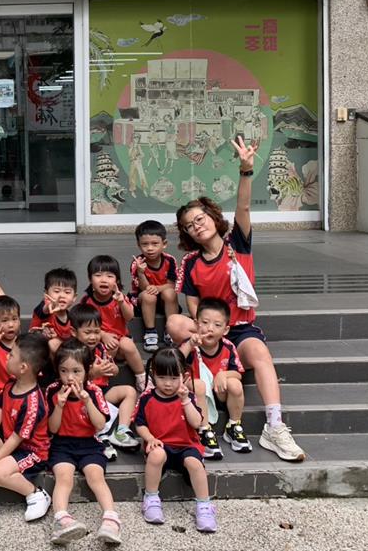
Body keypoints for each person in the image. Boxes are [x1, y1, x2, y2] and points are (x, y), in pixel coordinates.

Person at [167, 136, 306, 462]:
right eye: (189, 226)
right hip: (207, 331)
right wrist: (205, 332)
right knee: (174, 322)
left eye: (200, 219)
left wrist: (245, 170)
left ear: (213, 218)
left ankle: (274, 427)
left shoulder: (237, 245)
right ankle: (209, 376)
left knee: (260, 353)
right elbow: (192, 306)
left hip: (239, 329)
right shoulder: (191, 263)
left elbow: (243, 207)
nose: (196, 226)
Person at [0, 333, 53, 531]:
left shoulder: (33, 402)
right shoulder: (11, 383)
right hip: (10, 442)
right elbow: (1, 406)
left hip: (31, 450)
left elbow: (17, 439)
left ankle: (36, 494)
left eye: (12, 355)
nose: (7, 356)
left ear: (23, 367)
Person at [45, 340, 122, 545]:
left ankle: (111, 520)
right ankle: (61, 519)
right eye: (64, 371)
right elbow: (53, 428)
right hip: (62, 444)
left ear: (87, 371)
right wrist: (59, 406)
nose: (70, 377)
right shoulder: (53, 391)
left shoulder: (94, 391)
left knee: (96, 477)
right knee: (64, 478)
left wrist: (87, 401)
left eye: (76, 371)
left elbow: (99, 425)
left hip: (89, 443)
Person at [134, 348, 217, 533]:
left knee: (195, 463)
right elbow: (140, 424)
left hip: (186, 445)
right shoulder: (147, 398)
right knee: (156, 456)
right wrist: (149, 438)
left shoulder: (189, 397)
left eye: (173, 378)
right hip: (160, 444)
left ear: (184, 376)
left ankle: (204, 505)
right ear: (153, 374)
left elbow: (197, 422)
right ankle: (151, 498)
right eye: (162, 377)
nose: (168, 383)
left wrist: (185, 400)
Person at [180, 298, 251, 454]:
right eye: (205, 323)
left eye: (217, 325)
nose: (210, 328)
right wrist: (189, 345)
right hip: (196, 396)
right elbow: (175, 363)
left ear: (225, 330)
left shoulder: (228, 347)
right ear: (196, 324)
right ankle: (204, 429)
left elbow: (238, 373)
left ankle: (234, 425)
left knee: (235, 384)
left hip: (220, 393)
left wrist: (222, 374)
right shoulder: (190, 344)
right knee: (199, 385)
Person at [69, 304, 139, 453]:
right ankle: (100, 436)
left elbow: (115, 370)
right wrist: (92, 374)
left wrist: (112, 369)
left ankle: (122, 431)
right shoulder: (72, 352)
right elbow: (69, 379)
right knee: (91, 403)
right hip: (82, 395)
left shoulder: (100, 348)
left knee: (129, 391)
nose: (93, 337)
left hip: (102, 392)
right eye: (87, 332)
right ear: (74, 332)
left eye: (96, 332)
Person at [80, 255, 146, 390]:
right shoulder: (87, 301)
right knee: (110, 345)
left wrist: (121, 303)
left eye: (110, 276)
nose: (104, 279)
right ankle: (101, 376)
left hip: (120, 341)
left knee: (127, 344)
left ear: (117, 280)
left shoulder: (119, 298)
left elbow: (129, 317)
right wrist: (103, 335)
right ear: (90, 279)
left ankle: (142, 377)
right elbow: (84, 324)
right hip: (97, 342)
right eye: (98, 275)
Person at [129, 220, 179, 352]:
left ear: (164, 244)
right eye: (145, 244)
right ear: (138, 245)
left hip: (163, 299)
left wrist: (157, 288)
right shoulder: (137, 263)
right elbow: (143, 288)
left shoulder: (170, 261)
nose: (150, 248)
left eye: (155, 244)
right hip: (144, 300)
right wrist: (140, 273)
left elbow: (172, 285)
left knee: (170, 293)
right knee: (148, 296)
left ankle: (171, 330)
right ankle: (150, 332)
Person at [30, 268, 79, 354]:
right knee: (53, 343)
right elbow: (45, 310)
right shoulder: (44, 310)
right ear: (46, 294)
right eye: (57, 291)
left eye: (67, 292)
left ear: (74, 297)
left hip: (62, 357)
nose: (62, 295)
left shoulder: (73, 318)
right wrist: (48, 305)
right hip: (36, 353)